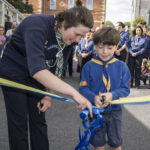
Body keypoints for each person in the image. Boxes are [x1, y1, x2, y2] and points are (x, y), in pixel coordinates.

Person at [0, 3, 93, 150]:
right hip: (14, 68)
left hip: (39, 71)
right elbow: (37, 70)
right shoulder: (36, 24)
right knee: (18, 121)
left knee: (39, 117)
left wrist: (49, 96)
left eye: (82, 36)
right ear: (65, 23)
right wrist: (75, 93)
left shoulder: (68, 41)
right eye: (77, 34)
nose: (78, 40)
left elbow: (57, 70)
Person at [79, 27, 131, 150]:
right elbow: (83, 88)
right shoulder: (88, 66)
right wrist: (94, 97)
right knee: (98, 145)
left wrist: (112, 95)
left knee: (116, 144)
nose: (105, 52)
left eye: (110, 48)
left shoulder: (122, 67)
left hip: (115, 112)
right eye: (101, 47)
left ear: (116, 46)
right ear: (95, 45)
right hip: (95, 112)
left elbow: (125, 89)